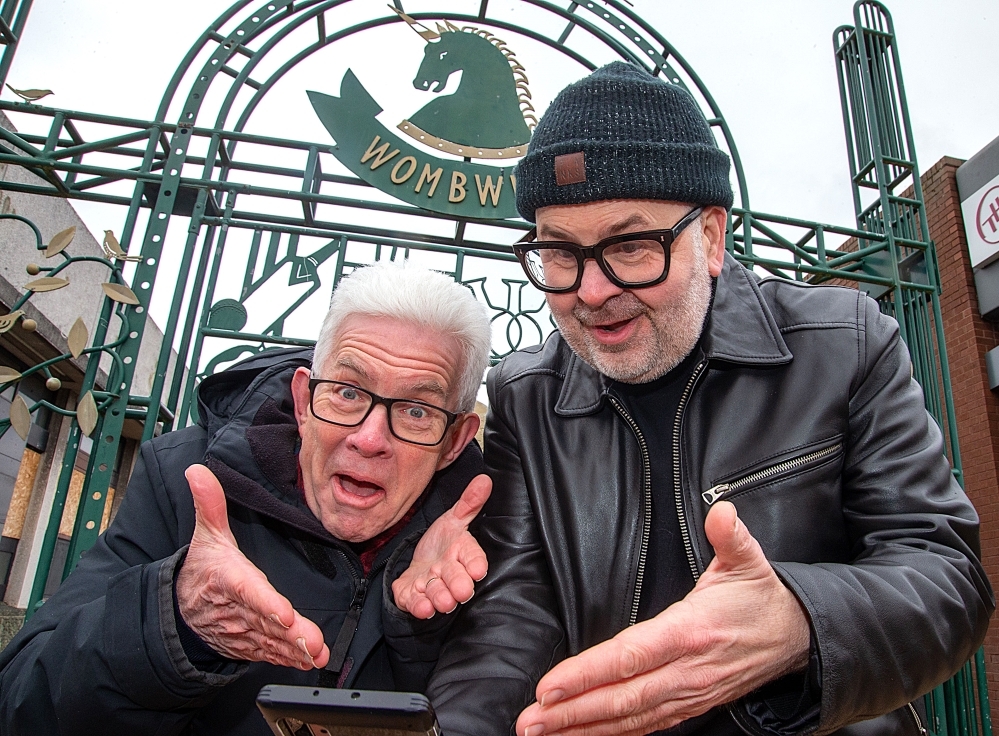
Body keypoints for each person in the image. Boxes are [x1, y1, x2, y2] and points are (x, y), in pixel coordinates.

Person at [403, 62, 994, 736]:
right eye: (559, 253)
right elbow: (514, 613)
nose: (591, 292)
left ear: (710, 237)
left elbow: (946, 578)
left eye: (629, 245)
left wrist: (798, 622)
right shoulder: (522, 393)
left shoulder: (845, 345)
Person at [0, 263, 494, 735]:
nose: (368, 439)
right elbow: (21, 707)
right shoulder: (186, 479)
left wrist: (420, 631)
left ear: (455, 440)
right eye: (347, 392)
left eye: (415, 410)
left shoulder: (489, 537)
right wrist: (175, 625)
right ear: (304, 402)